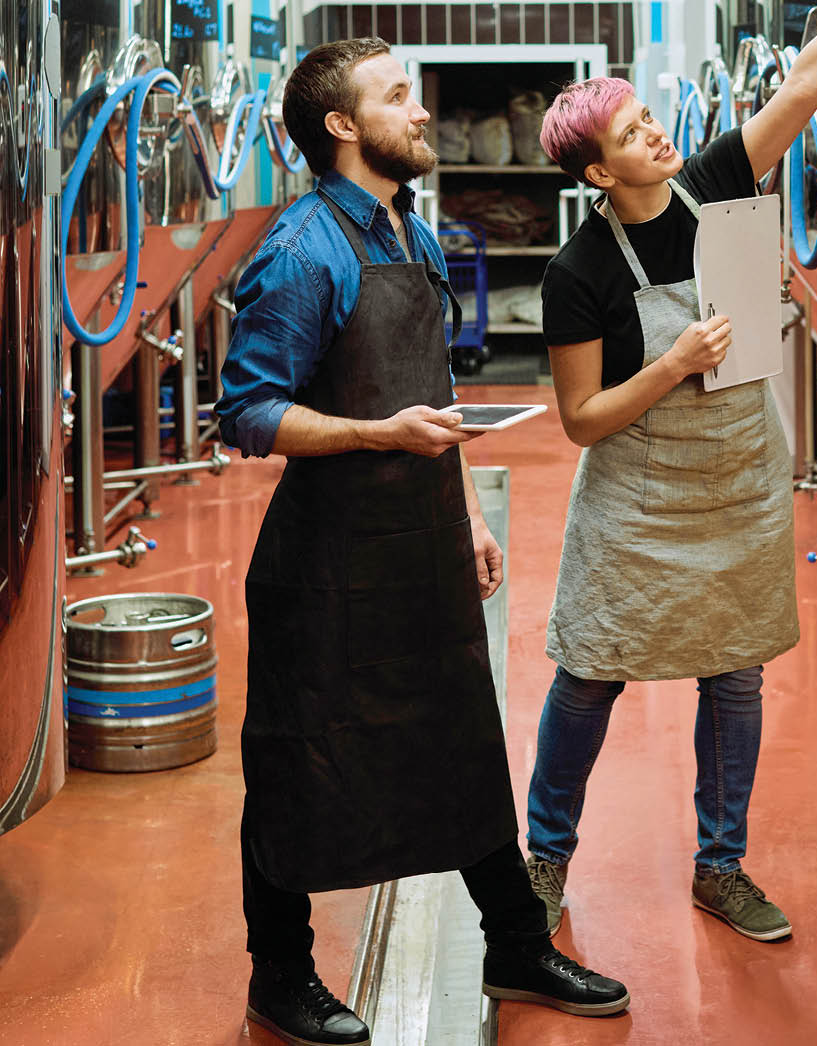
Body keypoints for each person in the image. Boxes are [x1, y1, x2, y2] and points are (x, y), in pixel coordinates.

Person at [214, 37, 628, 1046]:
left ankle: (513, 940)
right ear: (343, 126)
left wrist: (471, 514)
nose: (421, 108)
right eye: (396, 95)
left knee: (464, 743)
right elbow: (247, 411)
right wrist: (373, 434)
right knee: (301, 757)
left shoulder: (415, 237)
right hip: (326, 564)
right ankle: (280, 973)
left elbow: (431, 395)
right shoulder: (303, 249)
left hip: (420, 543)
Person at [524, 0, 817, 945]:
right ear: (600, 172)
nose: (656, 130)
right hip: (636, 505)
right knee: (588, 679)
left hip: (739, 485)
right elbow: (580, 421)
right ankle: (544, 861)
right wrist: (673, 363)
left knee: (736, 684)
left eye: (649, 115)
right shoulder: (580, 272)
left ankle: (720, 869)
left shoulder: (721, 183)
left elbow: (808, 83)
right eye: (632, 132)